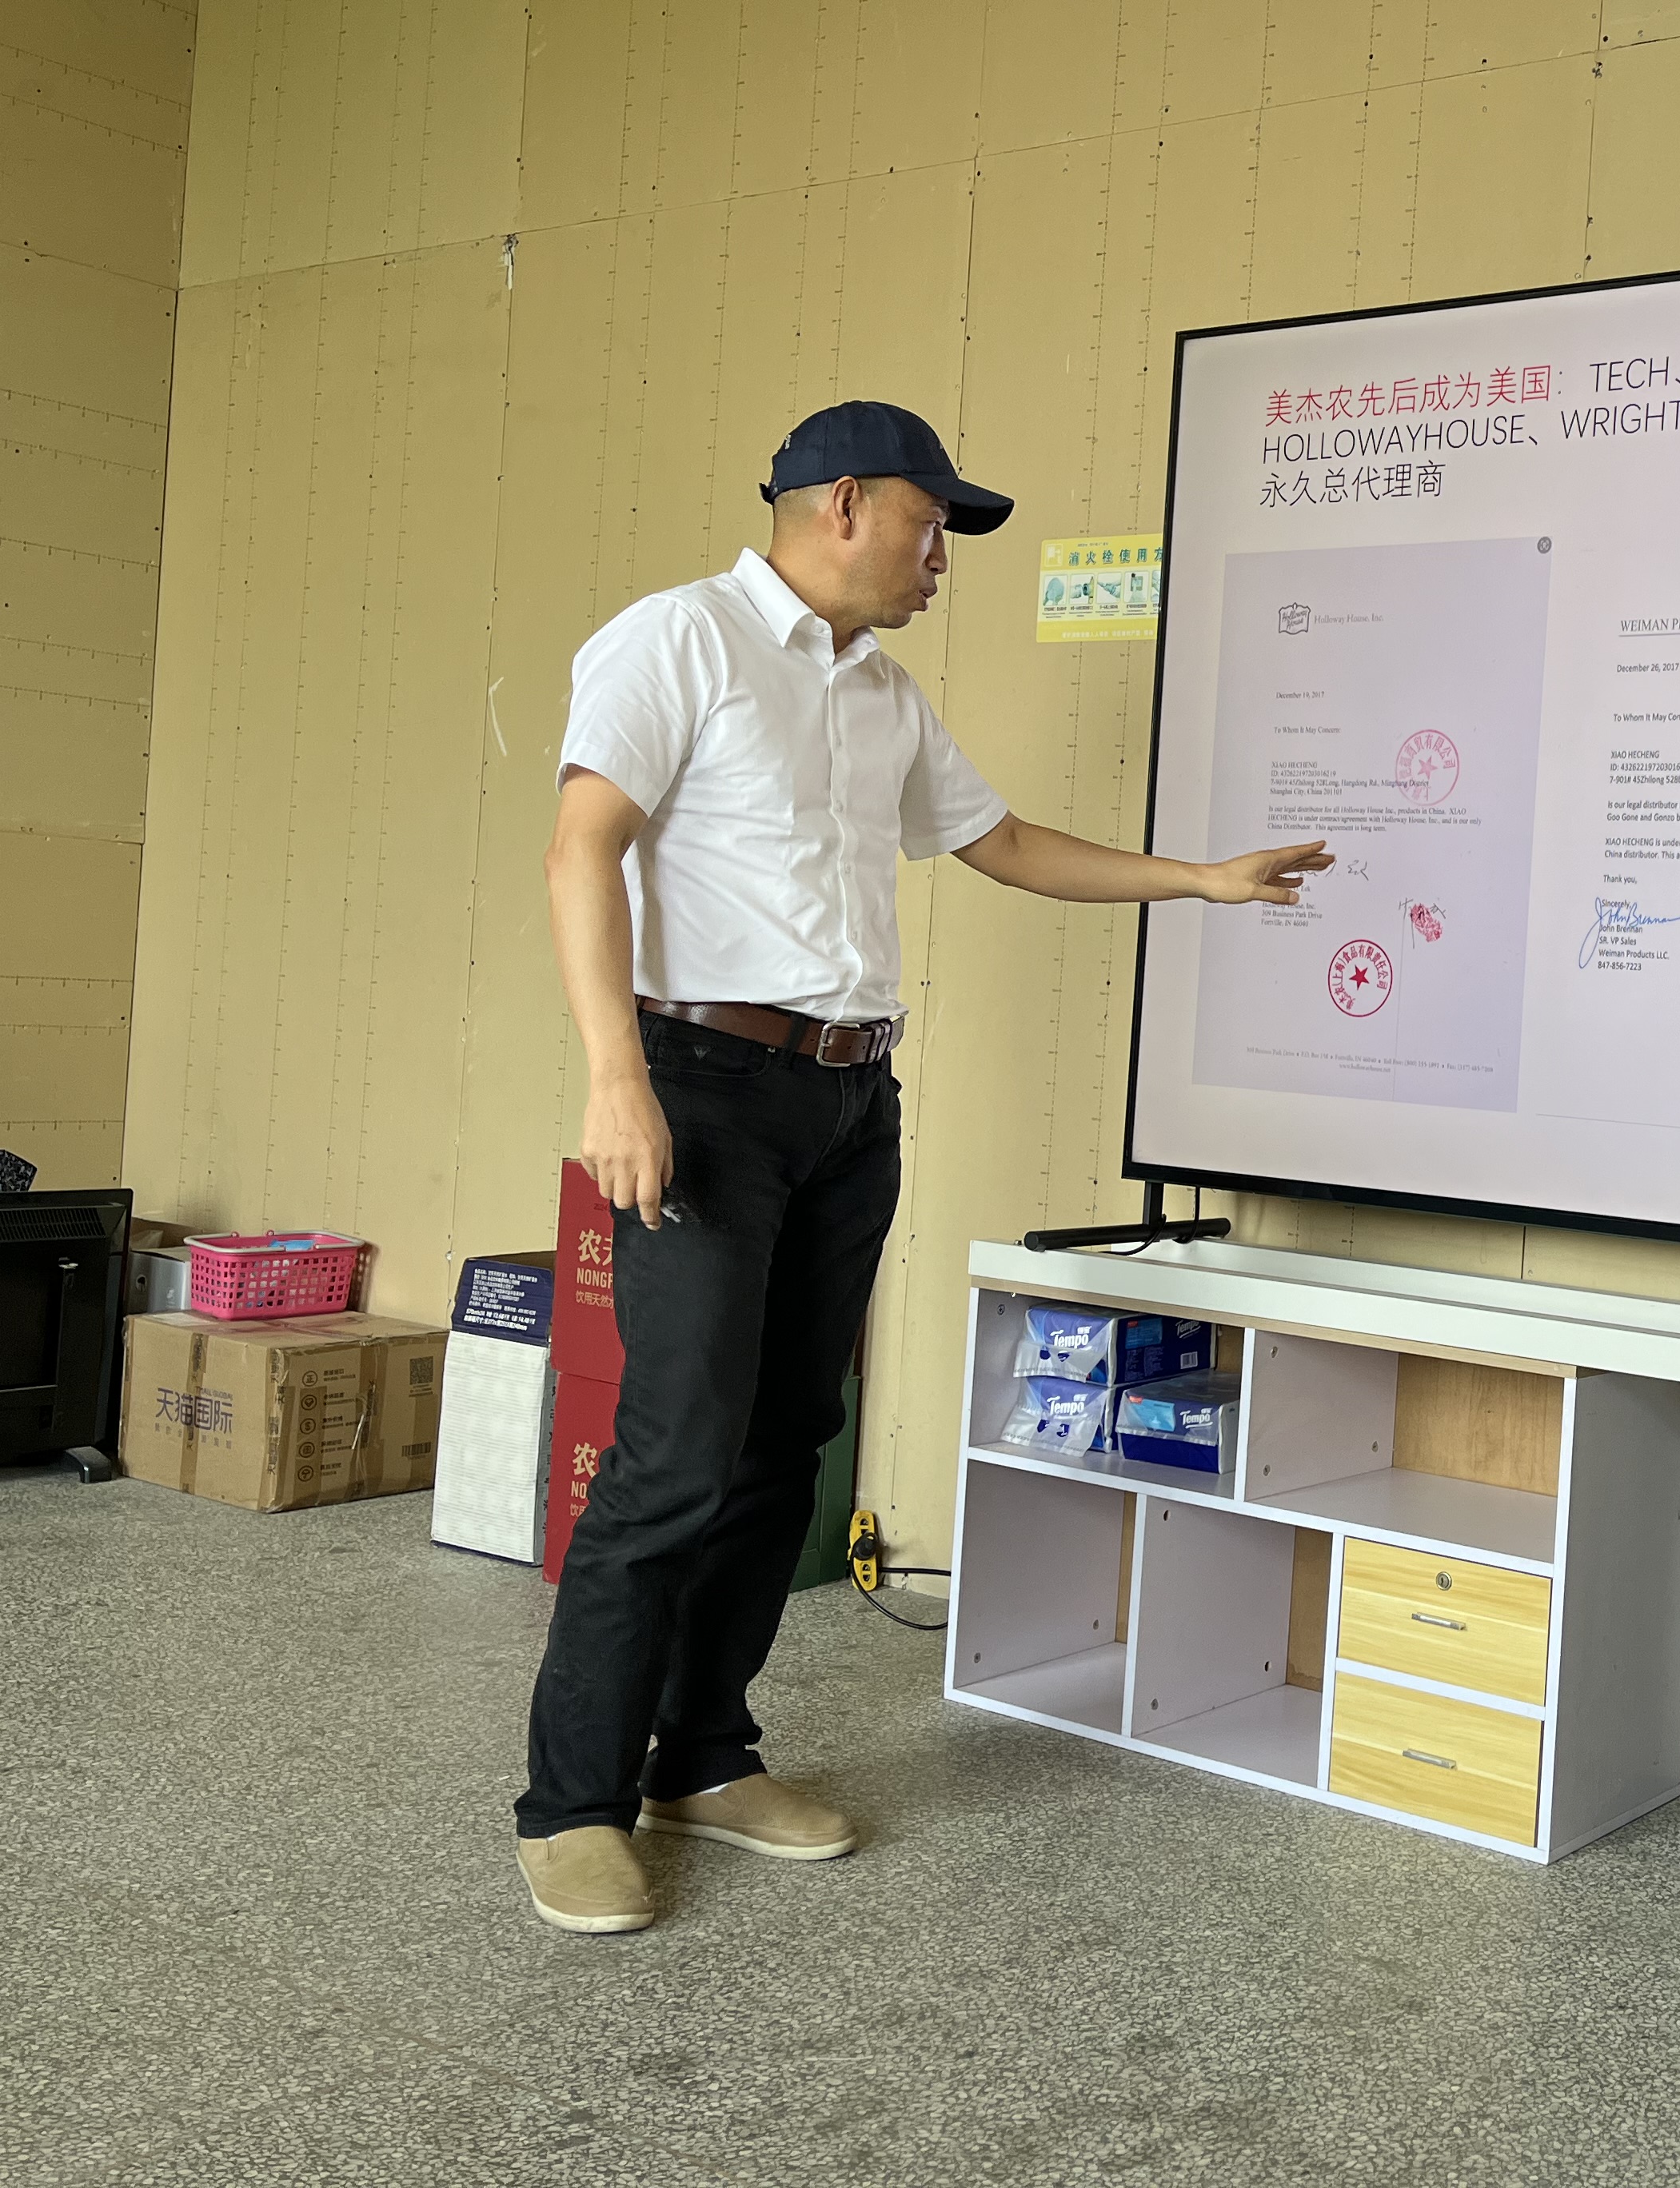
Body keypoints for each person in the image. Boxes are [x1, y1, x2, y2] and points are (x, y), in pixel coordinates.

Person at [514, 400, 1327, 1934]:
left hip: (846, 1102)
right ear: (841, 505)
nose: (940, 553)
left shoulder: (881, 692)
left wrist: (1202, 881)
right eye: (929, 521)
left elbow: (1001, 842)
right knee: (677, 1452)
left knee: (786, 1441)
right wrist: (617, 1078)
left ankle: (703, 1758)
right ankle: (572, 1804)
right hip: (700, 1088)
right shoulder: (678, 640)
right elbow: (582, 849)